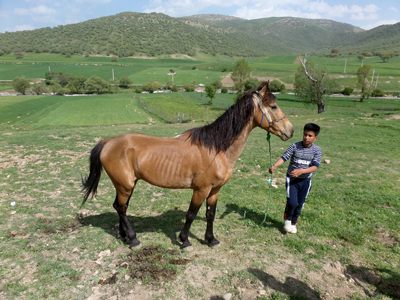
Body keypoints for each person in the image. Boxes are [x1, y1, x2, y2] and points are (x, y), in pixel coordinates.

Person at [268, 123, 322, 234]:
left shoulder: (317, 150)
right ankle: (287, 220)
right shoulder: (295, 146)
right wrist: (275, 166)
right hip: (291, 180)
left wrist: (301, 171)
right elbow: (284, 157)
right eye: (305, 134)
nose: (306, 137)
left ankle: (294, 222)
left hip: (305, 181)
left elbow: (314, 167)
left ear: (315, 138)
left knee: (300, 204)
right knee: (292, 202)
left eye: (310, 135)